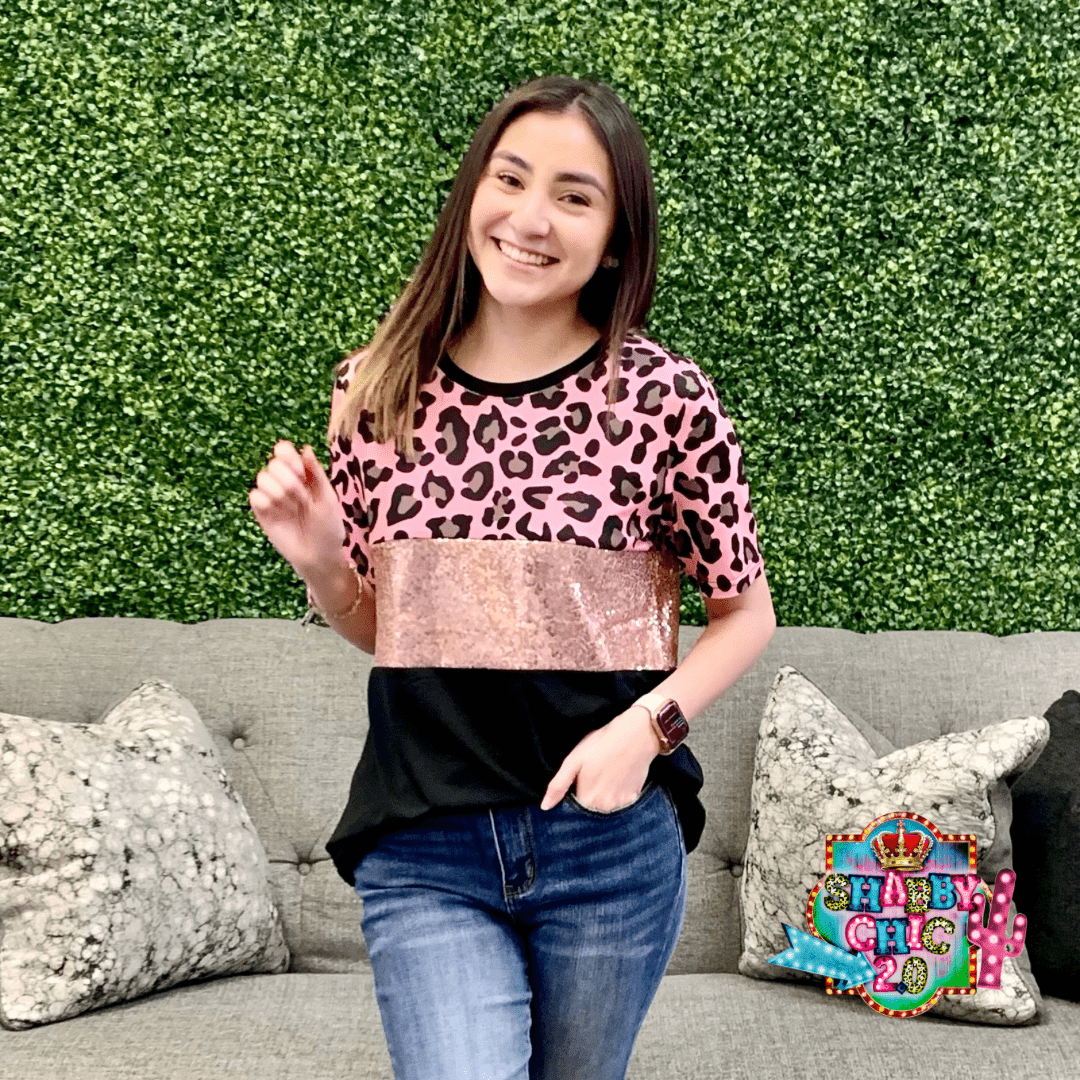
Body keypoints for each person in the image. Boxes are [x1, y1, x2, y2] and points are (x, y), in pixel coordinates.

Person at [249, 74, 776, 1080]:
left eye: (575, 196)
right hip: (425, 845)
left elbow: (745, 613)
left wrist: (647, 732)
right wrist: (320, 557)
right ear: (473, 195)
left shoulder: (665, 398)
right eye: (511, 179)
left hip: (608, 848)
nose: (531, 219)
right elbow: (387, 627)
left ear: (614, 238)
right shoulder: (377, 388)